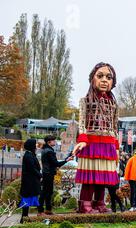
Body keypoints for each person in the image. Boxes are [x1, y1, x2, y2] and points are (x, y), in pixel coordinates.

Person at [72, 62, 120, 214]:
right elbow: (81, 122)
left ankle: (99, 202)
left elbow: (114, 126)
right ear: (92, 79)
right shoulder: (85, 101)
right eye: (100, 76)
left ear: (113, 82)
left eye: (108, 77)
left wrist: (117, 147)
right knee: (90, 176)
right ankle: (85, 204)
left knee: (103, 177)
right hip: (91, 142)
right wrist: (82, 139)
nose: (105, 80)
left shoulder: (113, 104)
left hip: (108, 144)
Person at [38, 135, 73, 215]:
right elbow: (56, 164)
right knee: (46, 192)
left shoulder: (45, 150)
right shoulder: (50, 151)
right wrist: (66, 160)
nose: (55, 142)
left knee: (47, 192)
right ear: (49, 142)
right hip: (49, 174)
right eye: (53, 140)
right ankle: (41, 211)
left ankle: (47, 210)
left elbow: (52, 164)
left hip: (46, 173)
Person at [18, 139, 42, 223]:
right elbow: (32, 168)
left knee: (30, 198)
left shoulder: (30, 154)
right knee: (26, 199)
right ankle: (24, 218)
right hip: (29, 182)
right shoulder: (28, 155)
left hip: (31, 181)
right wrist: (40, 175)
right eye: (35, 144)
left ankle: (25, 217)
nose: (36, 145)